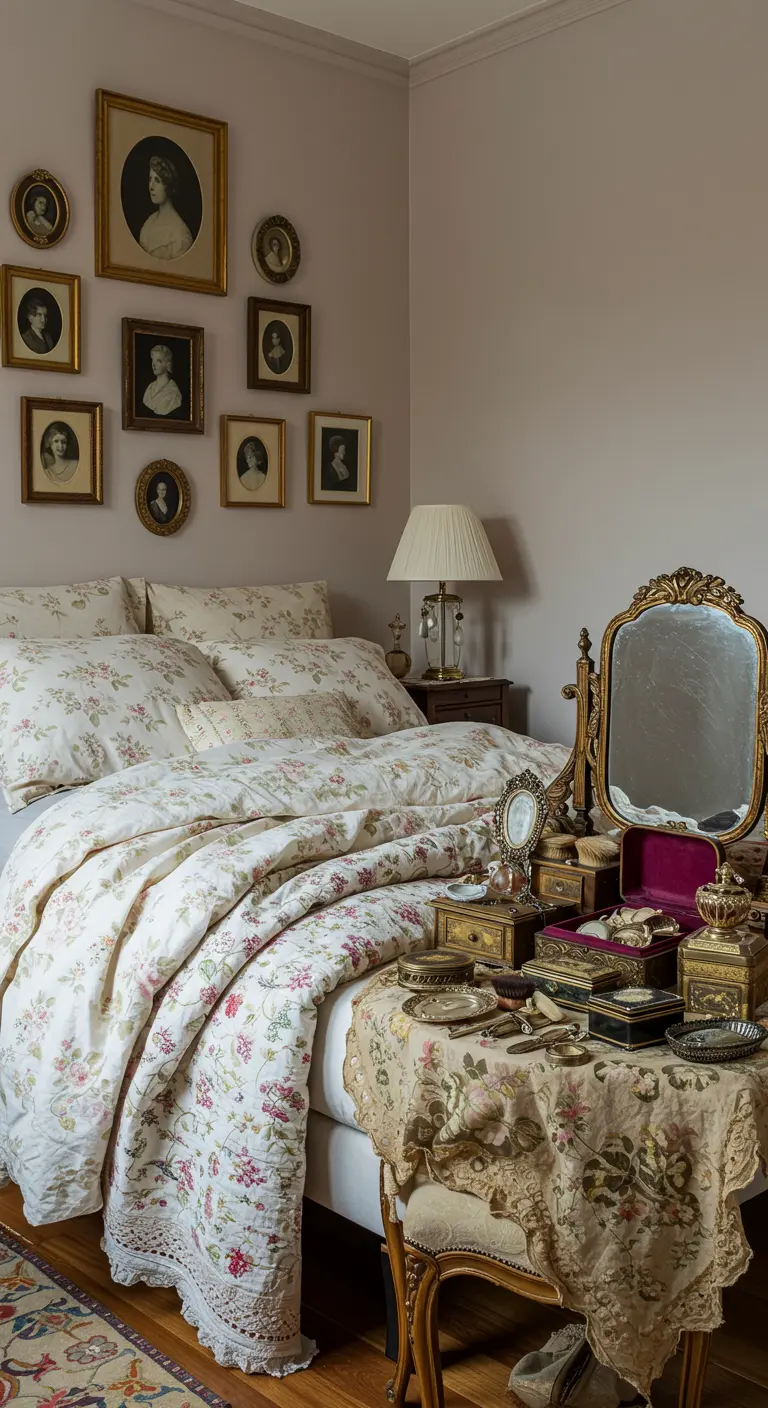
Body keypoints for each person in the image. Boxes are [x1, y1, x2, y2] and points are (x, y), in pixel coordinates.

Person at [139, 155, 193, 261]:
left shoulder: (180, 234)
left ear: (168, 186)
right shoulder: (149, 221)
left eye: (157, 181)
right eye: (150, 179)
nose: (151, 186)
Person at [142, 344, 182, 417]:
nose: (153, 364)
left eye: (158, 361)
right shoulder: (150, 387)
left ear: (168, 364)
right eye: (153, 360)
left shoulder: (173, 392)